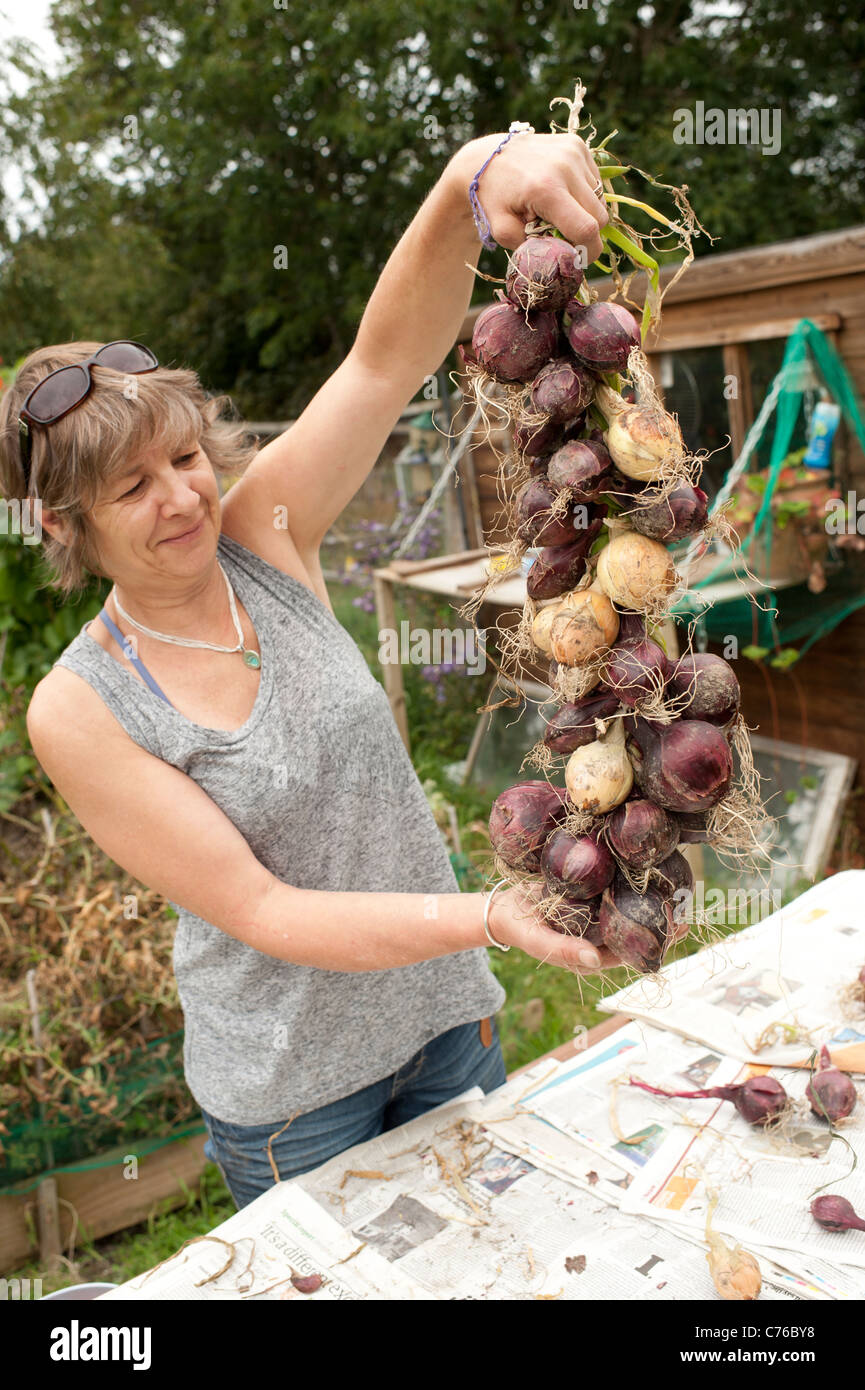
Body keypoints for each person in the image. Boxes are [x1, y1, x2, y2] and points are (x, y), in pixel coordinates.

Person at [3, 129, 645, 1210]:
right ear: (67, 526)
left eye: (185, 455)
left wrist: (466, 179)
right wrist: (490, 915)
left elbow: (383, 361)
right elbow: (266, 911)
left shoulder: (266, 536)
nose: (183, 497)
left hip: (445, 1020)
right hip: (293, 1095)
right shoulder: (79, 707)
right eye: (130, 487)